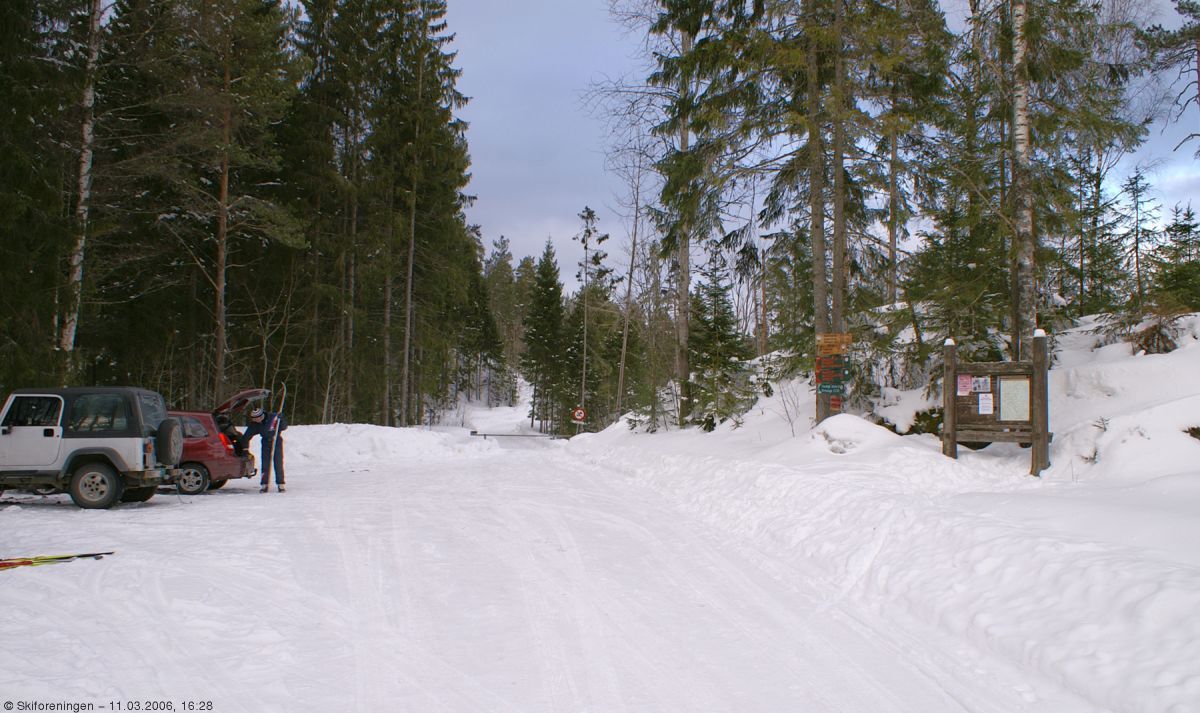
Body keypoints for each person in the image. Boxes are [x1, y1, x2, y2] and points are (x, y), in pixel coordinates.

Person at [240, 406, 287, 492]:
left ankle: (281, 484)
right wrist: (245, 449)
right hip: (265, 442)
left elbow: (284, 427)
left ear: (261, 416)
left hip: (276, 441)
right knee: (265, 463)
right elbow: (246, 436)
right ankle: (264, 484)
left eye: (257, 419)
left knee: (278, 462)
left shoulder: (273, 417)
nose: (256, 421)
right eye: (254, 419)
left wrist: (282, 419)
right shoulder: (255, 424)